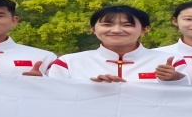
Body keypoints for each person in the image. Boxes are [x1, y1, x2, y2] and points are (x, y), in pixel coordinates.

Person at [47, 5, 183, 83]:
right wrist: (36, 84)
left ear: (144, 29)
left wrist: (175, 79)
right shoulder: (68, 63)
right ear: (93, 29)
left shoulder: (171, 63)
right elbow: (55, 97)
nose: (116, 30)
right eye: (107, 25)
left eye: (127, 25)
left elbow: (186, 99)